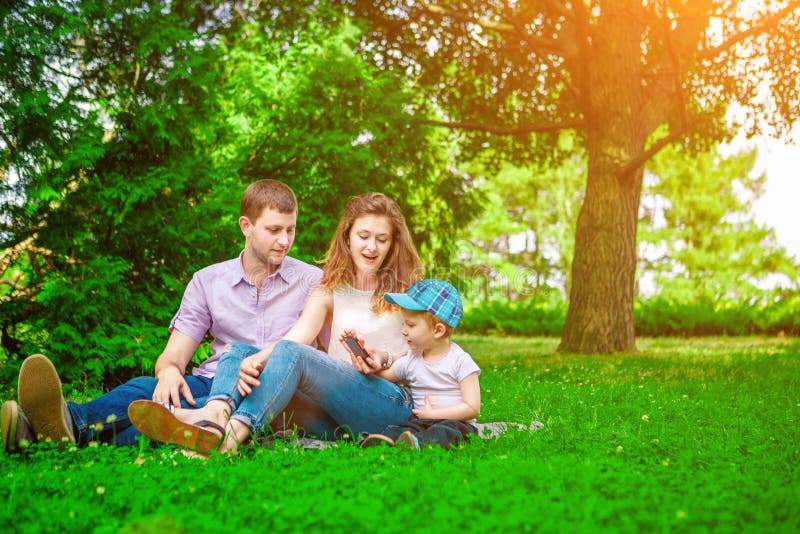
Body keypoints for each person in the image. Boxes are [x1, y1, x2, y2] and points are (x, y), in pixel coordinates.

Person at [1, 179, 323, 452]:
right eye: (274, 230)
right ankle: (57, 428)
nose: (284, 241)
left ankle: (52, 431)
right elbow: (174, 356)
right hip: (214, 385)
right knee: (151, 393)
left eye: (290, 230)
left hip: (274, 392)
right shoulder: (209, 281)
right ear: (246, 226)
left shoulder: (311, 281)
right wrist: (168, 372)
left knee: (168, 419)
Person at [128, 192, 422, 454]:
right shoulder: (328, 289)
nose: (371, 247)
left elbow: (430, 357)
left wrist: (385, 363)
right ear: (347, 237)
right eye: (363, 236)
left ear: (393, 243)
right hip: (331, 416)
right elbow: (298, 336)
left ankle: (225, 442)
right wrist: (251, 360)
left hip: (388, 405)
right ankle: (215, 415)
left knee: (289, 355)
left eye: (381, 240)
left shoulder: (409, 292)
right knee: (239, 351)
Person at [359, 278, 481, 450]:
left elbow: (472, 407)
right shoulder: (411, 359)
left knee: (443, 432)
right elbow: (385, 376)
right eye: (403, 323)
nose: (403, 330)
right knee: (402, 428)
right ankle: (380, 441)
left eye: (410, 325)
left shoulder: (461, 361)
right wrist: (366, 361)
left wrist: (434, 414)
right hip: (421, 421)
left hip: (457, 424)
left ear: (438, 330)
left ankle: (417, 444)